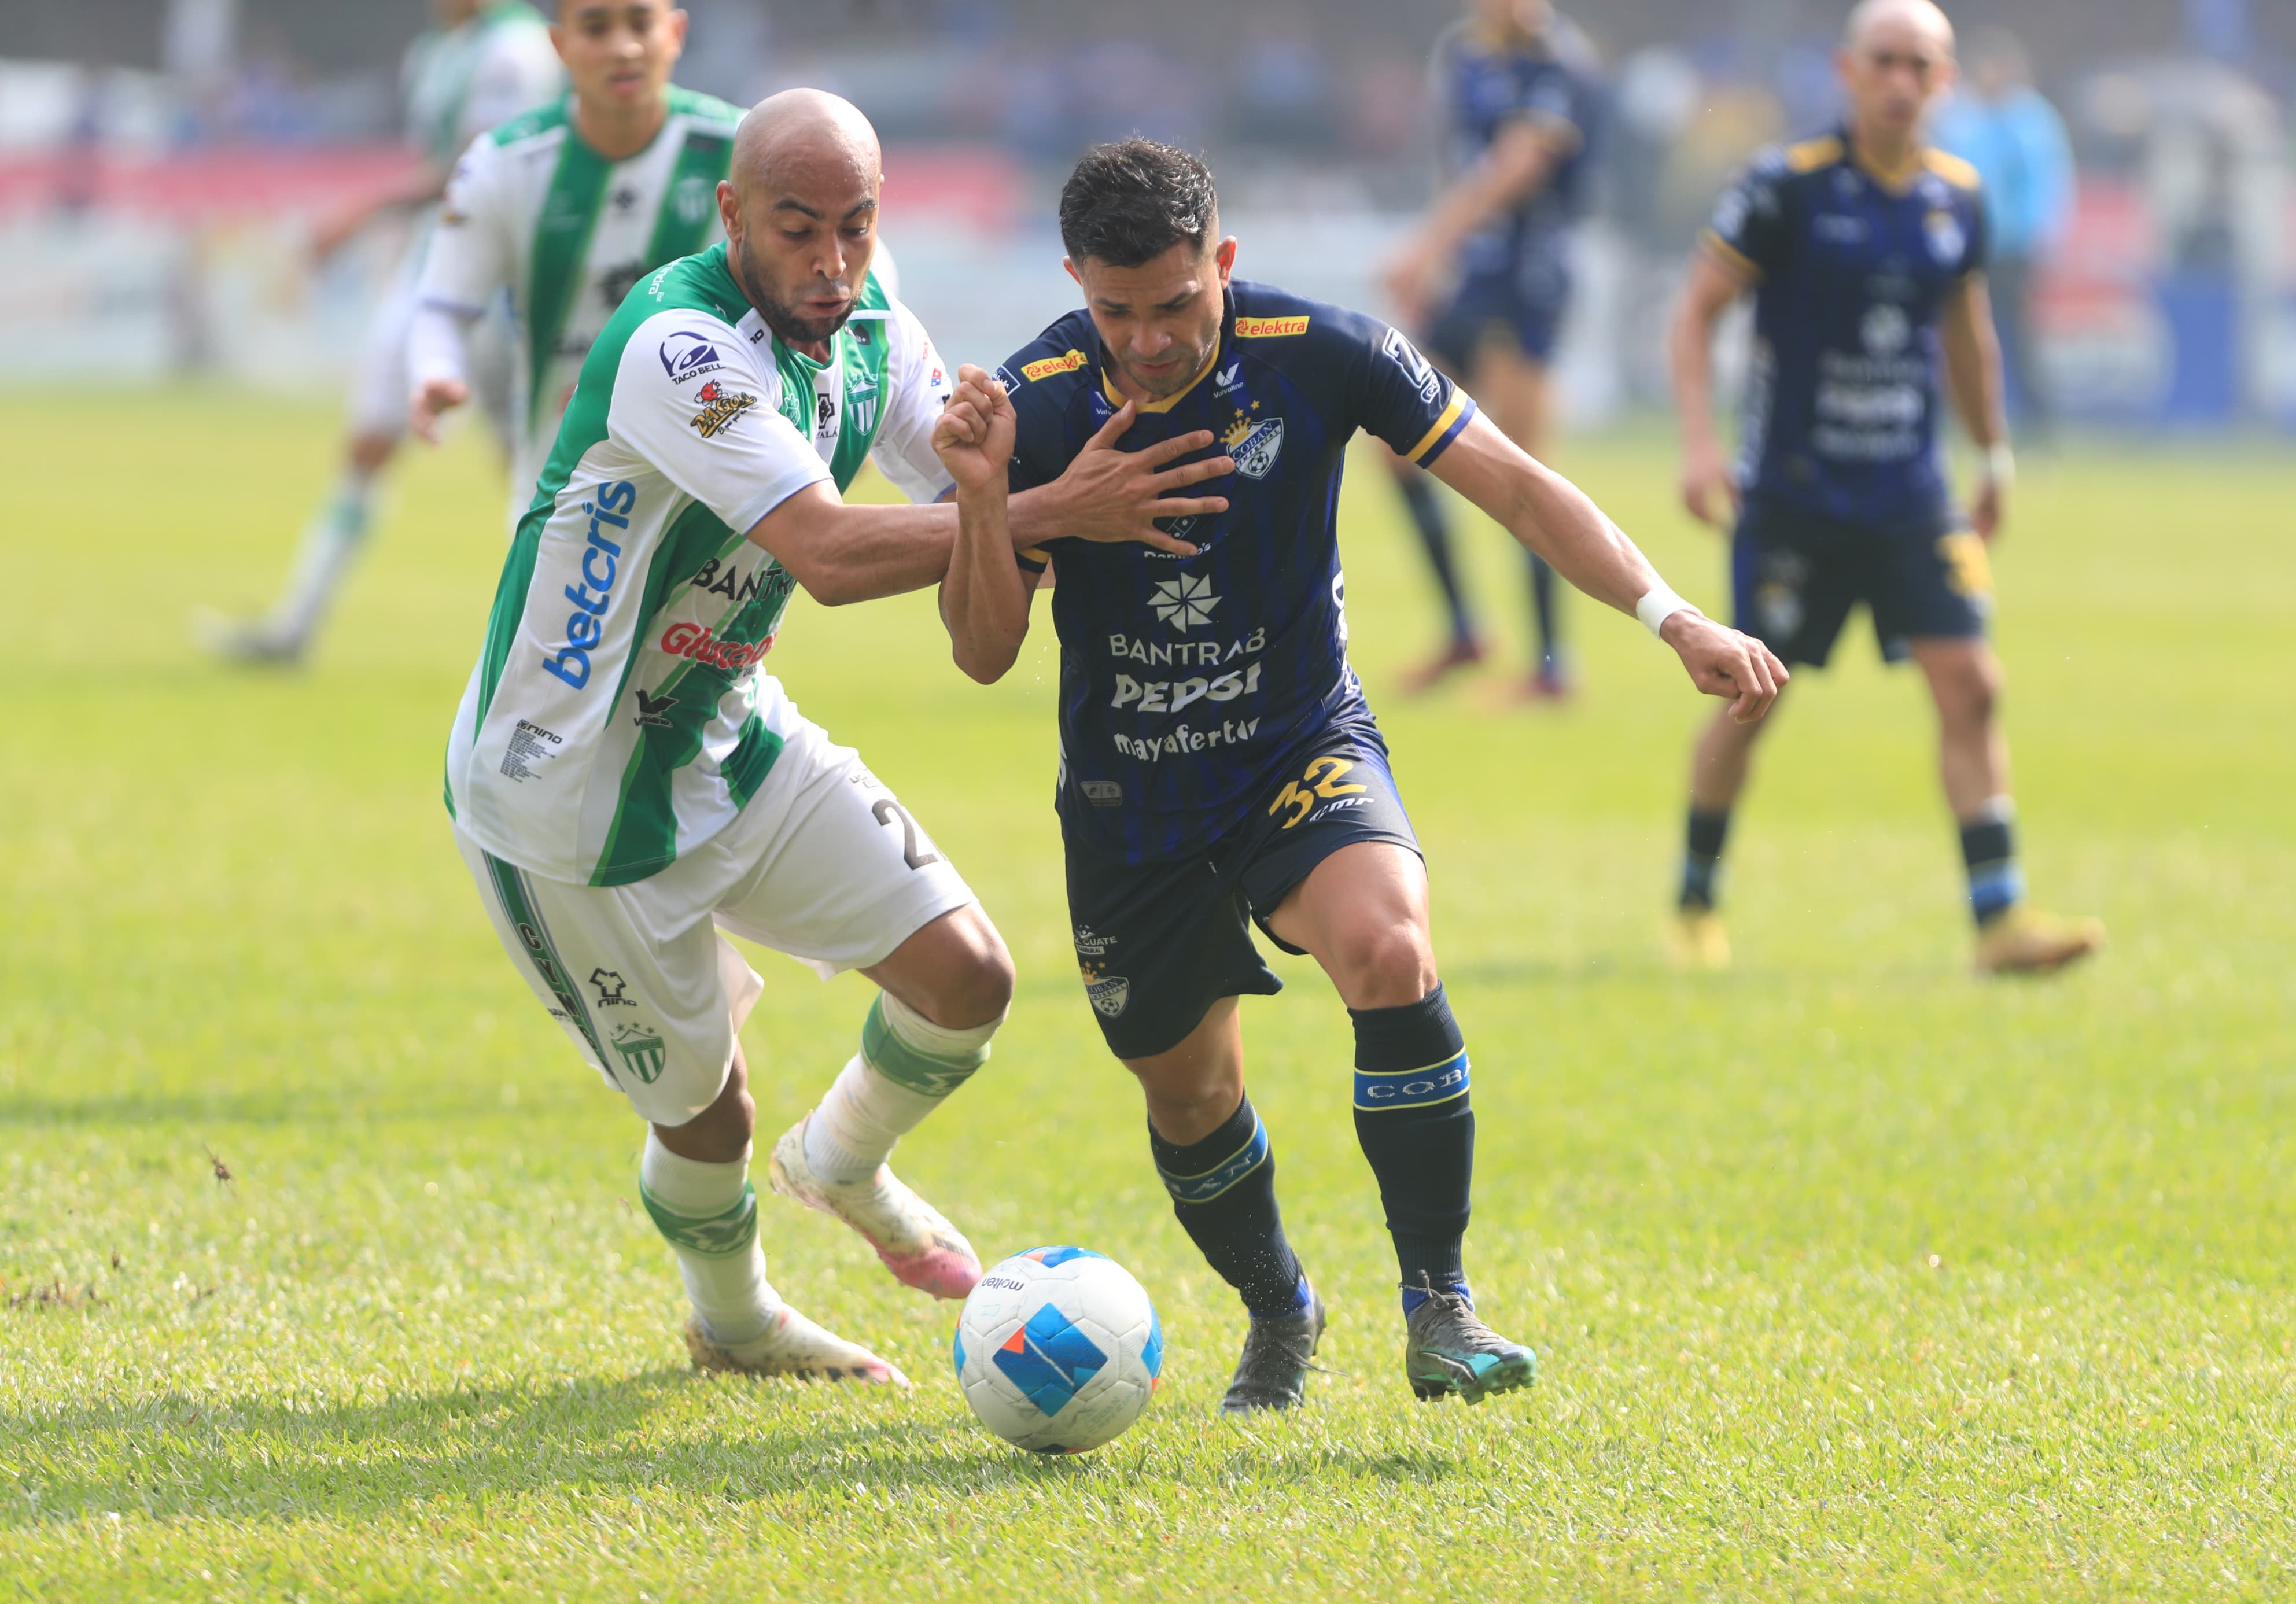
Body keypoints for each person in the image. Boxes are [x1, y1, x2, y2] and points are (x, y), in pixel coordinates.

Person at [939, 138, 1786, 1410]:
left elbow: (1514, 482)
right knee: (1190, 1094)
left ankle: (1438, 1305)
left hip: (1297, 745)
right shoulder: (1040, 403)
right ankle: (1281, 1308)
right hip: (1133, 799)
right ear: (1075, 283)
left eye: (1176, 304)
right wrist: (991, 504)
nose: (1151, 340)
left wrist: (1675, 618)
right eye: (1119, 312)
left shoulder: (1318, 350)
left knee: (1389, 950)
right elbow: (984, 652)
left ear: (1220, 261)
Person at [441, 93, 1232, 1380]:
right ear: (734, 213)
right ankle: (735, 1321)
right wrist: (1056, 510)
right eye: (799, 230)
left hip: (727, 729)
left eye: (856, 230)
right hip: (566, 791)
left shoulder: (875, 332)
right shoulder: (676, 345)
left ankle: (844, 1161)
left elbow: (979, 498)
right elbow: (829, 549)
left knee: (967, 976)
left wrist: (1047, 498)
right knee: (710, 1117)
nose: (831, 263)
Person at [1664, 0, 2103, 976]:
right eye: (1885, 63)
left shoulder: (1957, 197)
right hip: (1795, 497)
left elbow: (1967, 336)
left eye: (1921, 66)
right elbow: (1695, 313)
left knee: (1972, 685)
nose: (1902, 82)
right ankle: (1695, 897)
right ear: (1848, 72)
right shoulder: (1785, 187)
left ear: (1943, 81)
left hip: (1912, 493)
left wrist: (1992, 456)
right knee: (1753, 699)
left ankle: (2000, 921)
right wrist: (1699, 444)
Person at [204, 0, 561, 665]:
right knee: (368, 445)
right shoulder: (436, 48)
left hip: (503, 281)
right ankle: (295, 626)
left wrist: (360, 211)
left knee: (532, 470)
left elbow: (481, 166)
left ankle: (568, 648)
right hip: (429, 273)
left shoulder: (515, 48)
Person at [408, 1, 745, 515]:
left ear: (675, 33)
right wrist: (437, 369)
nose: (623, 48)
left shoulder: (743, 149)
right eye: (595, 27)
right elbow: (444, 303)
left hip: (718, 497)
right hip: (559, 491)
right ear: (559, 45)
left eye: (640, 24)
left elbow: (858, 274)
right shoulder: (504, 162)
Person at [1381, 0, 1602, 699]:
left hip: (1527, 278)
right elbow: (1464, 165)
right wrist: (1444, 260)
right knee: (1395, 446)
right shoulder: (1465, 54)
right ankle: (1463, 631)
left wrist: (1427, 244)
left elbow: (1517, 168)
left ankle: (1549, 666)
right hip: (1472, 275)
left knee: (1522, 462)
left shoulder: (1560, 64)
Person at [1933, 25, 2074, 443]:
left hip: (2014, 248)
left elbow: (2046, 184)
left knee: (2017, 337)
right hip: (1967, 244)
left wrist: (2040, 238)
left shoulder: (2031, 121)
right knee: (1956, 333)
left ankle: (2038, 425)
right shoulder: (1962, 118)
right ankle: (1952, 421)